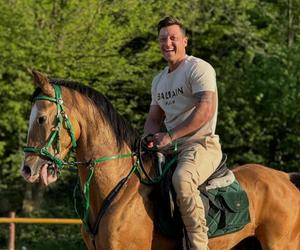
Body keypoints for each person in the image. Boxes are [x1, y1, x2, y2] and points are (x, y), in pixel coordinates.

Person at [143, 16, 222, 250]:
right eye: (163, 39)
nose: (167, 43)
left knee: (182, 179)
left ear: (185, 41)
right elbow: (154, 119)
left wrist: (170, 136)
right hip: (171, 146)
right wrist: (147, 139)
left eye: (173, 38)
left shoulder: (198, 68)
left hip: (202, 144)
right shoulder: (158, 81)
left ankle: (199, 245)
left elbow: (206, 109)